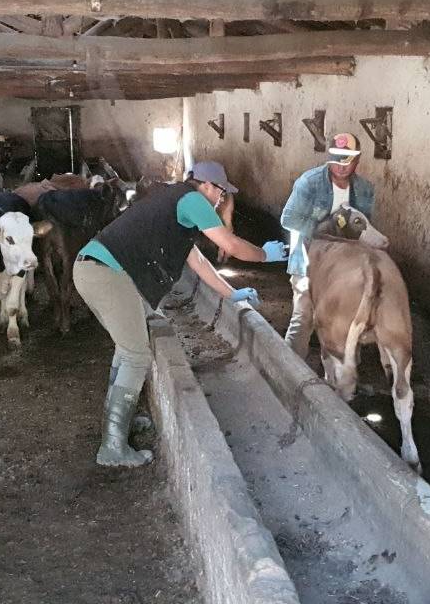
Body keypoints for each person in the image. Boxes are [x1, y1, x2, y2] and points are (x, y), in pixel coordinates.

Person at [73, 161, 288, 467]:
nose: (221, 200)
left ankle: (120, 424)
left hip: (93, 268)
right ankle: (112, 447)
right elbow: (229, 243)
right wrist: (265, 254)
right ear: (208, 185)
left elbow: (199, 262)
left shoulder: (175, 205)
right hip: (106, 273)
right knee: (136, 355)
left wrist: (231, 293)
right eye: (222, 193)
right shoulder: (193, 199)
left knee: (127, 348)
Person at [279, 132, 376, 358]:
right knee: (304, 317)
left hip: (344, 266)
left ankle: (340, 373)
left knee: (344, 319)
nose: (341, 166)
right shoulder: (309, 182)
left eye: (347, 160)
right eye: (336, 158)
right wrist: (325, 228)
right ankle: (290, 369)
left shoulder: (365, 189)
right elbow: (288, 219)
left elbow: (364, 226)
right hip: (308, 260)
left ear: (357, 159)